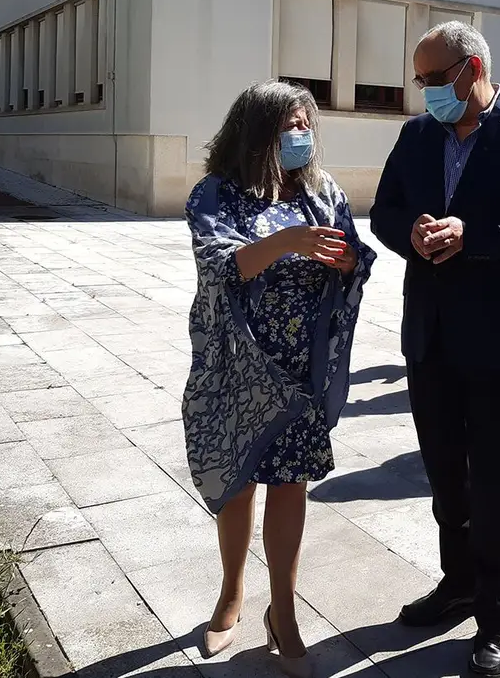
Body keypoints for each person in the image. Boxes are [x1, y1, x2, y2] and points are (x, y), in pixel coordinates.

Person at [369, 22, 500, 677]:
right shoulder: (416, 135)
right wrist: (414, 230)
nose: (426, 91)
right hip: (430, 336)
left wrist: (473, 234)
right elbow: (381, 212)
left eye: (434, 79)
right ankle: (457, 582)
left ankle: (497, 616)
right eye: (422, 80)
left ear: (473, 68)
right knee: (446, 479)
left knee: (499, 486)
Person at [183, 80, 375, 678]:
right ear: (257, 130)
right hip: (241, 366)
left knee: (291, 485)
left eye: (306, 124)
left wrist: (347, 260)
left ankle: (283, 611)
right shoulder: (217, 193)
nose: (301, 135)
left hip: (300, 370)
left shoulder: (323, 192)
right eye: (289, 125)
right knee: (238, 482)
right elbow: (220, 264)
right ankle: (231, 594)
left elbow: (355, 255)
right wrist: (286, 241)